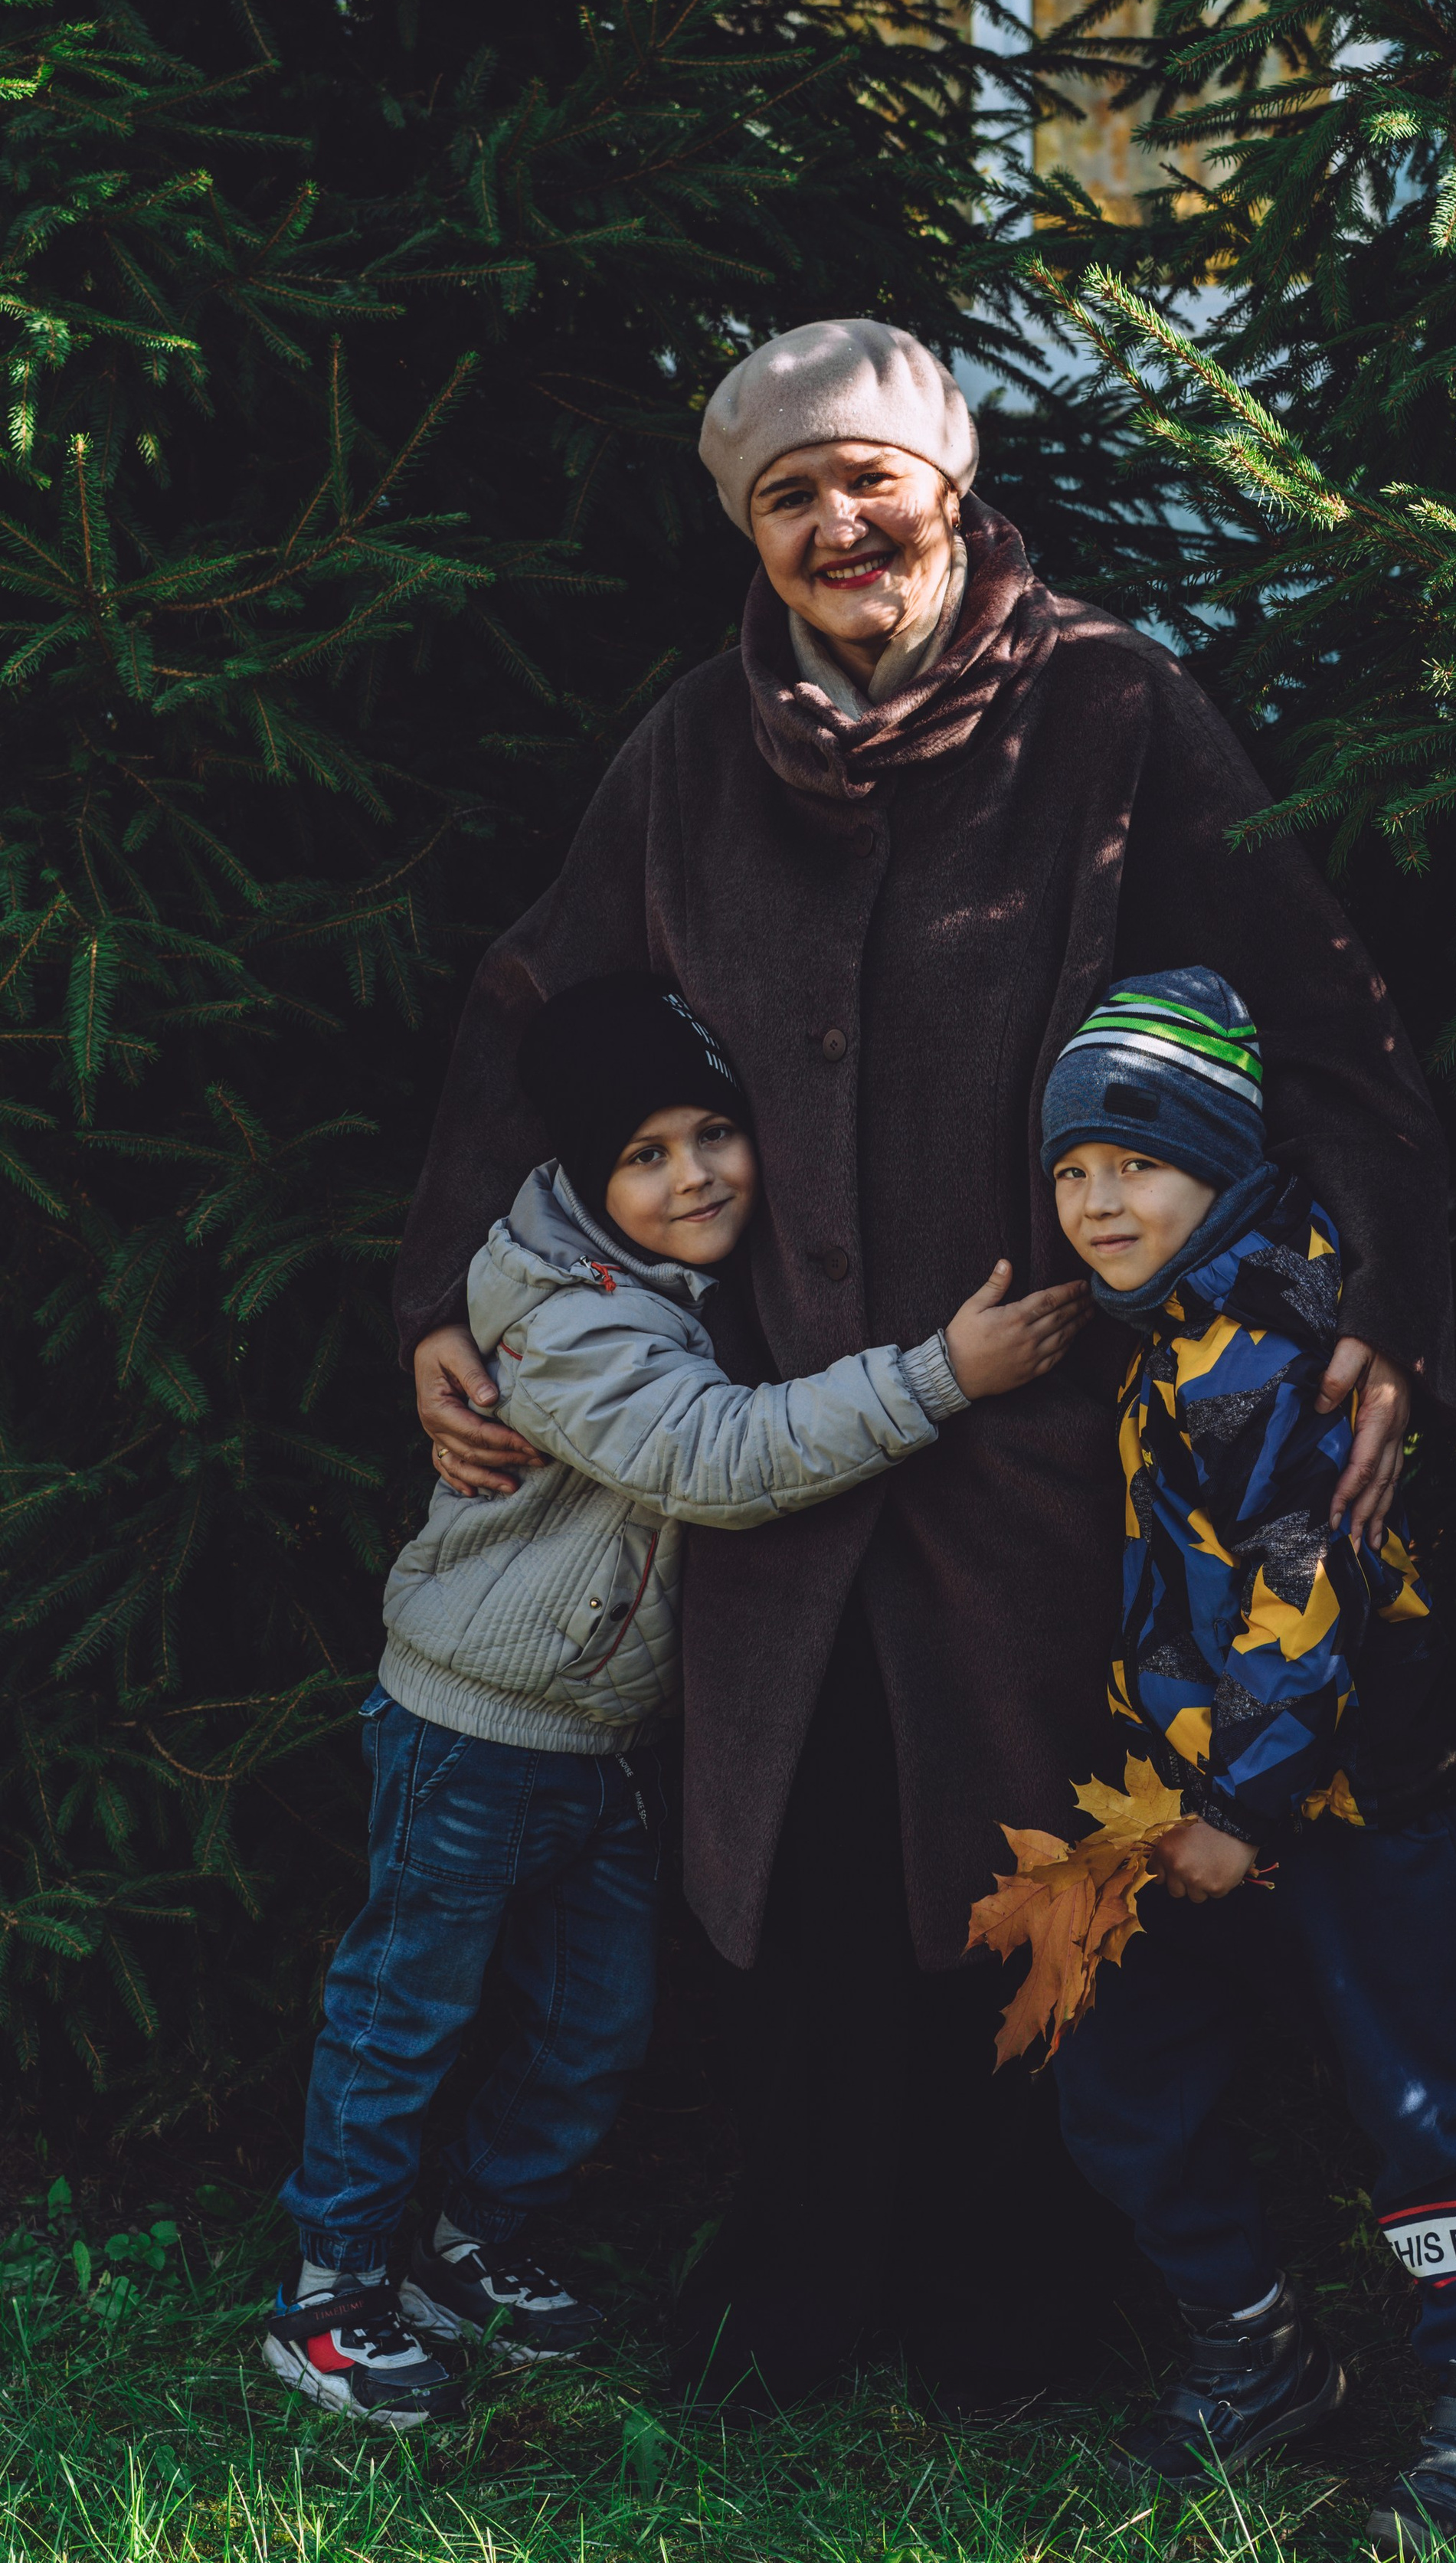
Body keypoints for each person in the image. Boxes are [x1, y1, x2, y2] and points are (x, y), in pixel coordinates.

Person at [392, 316, 1456, 2402]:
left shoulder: (1115, 709)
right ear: (752, 536)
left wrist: (1385, 1320)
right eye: (787, 495)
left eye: (869, 477)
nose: (835, 522)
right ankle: (805, 2294)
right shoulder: (697, 746)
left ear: (952, 487)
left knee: (1032, 1869)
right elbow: (537, 1000)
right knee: (798, 1870)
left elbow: (1332, 1034)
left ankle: (1036, 2312)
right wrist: (445, 1292)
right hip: (778, 1428)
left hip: (1067, 1445)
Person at [267, 976, 1083, 2427]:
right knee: (408, 2009)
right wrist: (942, 1374)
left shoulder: (684, 1274)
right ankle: (331, 2290)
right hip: (474, 1728)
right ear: (587, 1176)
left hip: (606, 1742)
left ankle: (474, 2252)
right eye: (644, 1154)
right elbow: (718, 1457)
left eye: (713, 1130)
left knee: (596, 2026)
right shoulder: (562, 1314)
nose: (694, 1175)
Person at [1042, 967, 1456, 2552]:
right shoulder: (1174, 1325)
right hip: (1200, 1803)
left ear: (1223, 1160)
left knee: (1421, 2097)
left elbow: (1298, 1592)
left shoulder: (1272, 1343)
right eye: (1070, 1171)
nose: (1097, 1200)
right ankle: (1256, 2346)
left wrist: (1237, 1808)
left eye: (1137, 1163)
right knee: (1115, 2061)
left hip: (1342, 1803)